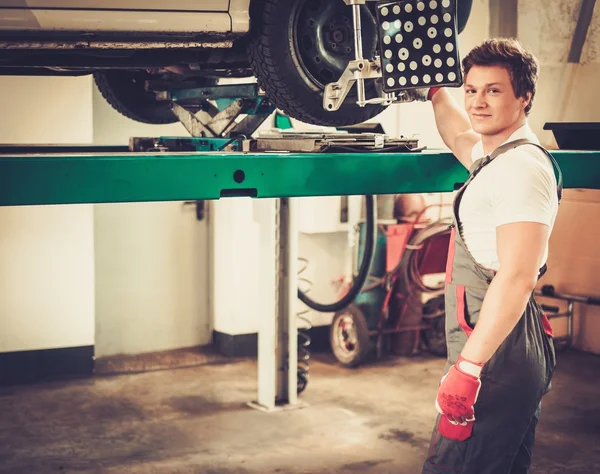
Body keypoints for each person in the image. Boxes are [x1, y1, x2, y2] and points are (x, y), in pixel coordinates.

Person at [410, 38, 563, 473]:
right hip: (498, 342)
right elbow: (459, 134)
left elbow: (517, 276)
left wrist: (469, 368)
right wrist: (435, 92)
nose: (478, 102)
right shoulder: (497, 155)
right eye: (471, 90)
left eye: (493, 91)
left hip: (497, 353)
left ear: (524, 98)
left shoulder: (521, 169)